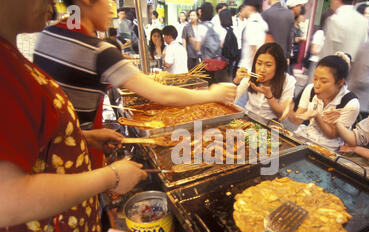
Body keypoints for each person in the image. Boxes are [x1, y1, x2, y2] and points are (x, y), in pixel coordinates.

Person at [0, 0, 147, 232]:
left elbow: (31, 139)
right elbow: (7, 197)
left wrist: (81, 137)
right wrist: (111, 177)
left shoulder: (14, 54)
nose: (53, 4)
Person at [34, 0, 236, 168]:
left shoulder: (47, 35)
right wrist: (213, 94)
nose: (112, 9)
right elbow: (162, 95)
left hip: (46, 152)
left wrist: (88, 136)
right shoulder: (99, 51)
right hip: (73, 160)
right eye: (109, 0)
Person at [286, 53, 360, 151]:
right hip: (305, 137)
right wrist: (289, 112)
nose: (316, 85)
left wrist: (317, 116)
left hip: (328, 148)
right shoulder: (310, 89)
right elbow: (298, 119)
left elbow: (331, 135)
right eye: (315, 78)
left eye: (324, 81)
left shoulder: (350, 103)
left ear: (340, 82)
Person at [233, 42, 296, 120]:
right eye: (259, 63)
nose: (262, 70)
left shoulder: (288, 81)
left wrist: (269, 96)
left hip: (270, 125)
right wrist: (236, 81)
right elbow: (231, 99)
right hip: (247, 119)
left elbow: (282, 115)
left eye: (268, 65)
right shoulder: (250, 75)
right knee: (226, 131)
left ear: (278, 66)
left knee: (255, 133)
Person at [305, 10, 333, 85]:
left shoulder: (331, 35)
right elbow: (313, 50)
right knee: (311, 85)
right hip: (316, 63)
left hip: (326, 64)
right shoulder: (320, 33)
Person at [238, 0, 268, 70]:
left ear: (250, 7)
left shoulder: (253, 24)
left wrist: (253, 72)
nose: (243, 9)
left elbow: (255, 49)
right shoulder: (260, 22)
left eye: (244, 6)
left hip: (247, 68)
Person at [219, 9, 239, 79]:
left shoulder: (221, 31)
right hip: (232, 58)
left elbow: (221, 45)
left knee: (222, 78)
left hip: (224, 58)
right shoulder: (234, 29)